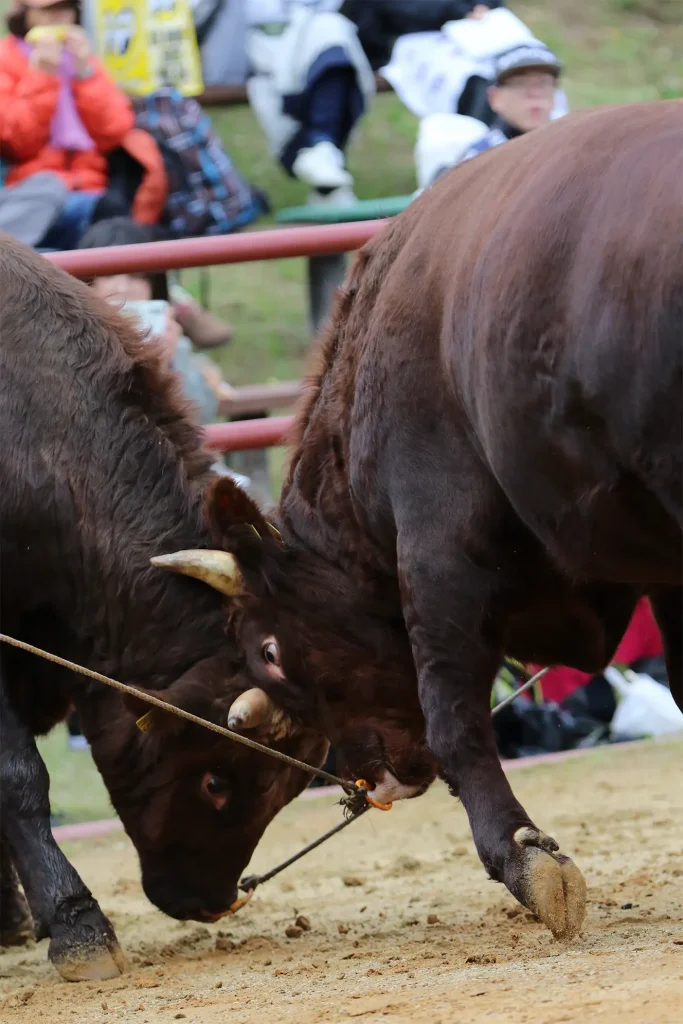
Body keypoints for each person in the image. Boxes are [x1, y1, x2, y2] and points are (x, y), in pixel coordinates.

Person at [76, 217, 251, 488]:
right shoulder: (74, 345)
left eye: (136, 275)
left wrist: (168, 364)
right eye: (109, 274)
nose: (123, 287)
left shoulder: (169, 338)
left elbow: (202, 414)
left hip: (175, 474)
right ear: (88, 283)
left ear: (153, 285)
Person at [0, 0, 165, 248]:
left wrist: (86, 73)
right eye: (48, 11)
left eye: (65, 9)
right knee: (52, 189)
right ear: (24, 15)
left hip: (91, 187)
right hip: (28, 192)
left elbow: (114, 131)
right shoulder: (6, 60)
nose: (58, 18)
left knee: (112, 212)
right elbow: (17, 140)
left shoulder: (85, 61)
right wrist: (44, 76)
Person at [245, 0, 375, 205]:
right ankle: (319, 151)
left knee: (331, 32)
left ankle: (322, 149)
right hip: (255, 50)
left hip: (326, 41)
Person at [461, 42, 562, 160]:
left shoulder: (569, 152)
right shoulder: (479, 159)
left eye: (544, 83)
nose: (535, 93)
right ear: (495, 98)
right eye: (521, 84)